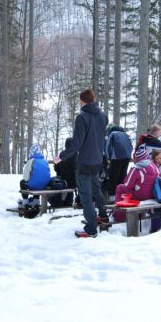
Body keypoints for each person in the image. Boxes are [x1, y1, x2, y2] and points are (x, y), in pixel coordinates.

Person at [54, 88, 108, 238]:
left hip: (84, 162)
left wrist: (61, 157)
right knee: (96, 190)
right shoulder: (103, 117)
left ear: (82, 101)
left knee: (85, 196)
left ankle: (91, 229)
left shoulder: (81, 117)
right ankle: (103, 215)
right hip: (97, 160)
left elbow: (77, 144)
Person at [112, 145, 160, 224]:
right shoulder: (154, 166)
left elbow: (127, 185)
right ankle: (140, 213)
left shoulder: (136, 168)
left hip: (141, 195)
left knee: (120, 188)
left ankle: (119, 217)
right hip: (153, 194)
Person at [105, 125, 133, 197]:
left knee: (113, 176)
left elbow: (108, 146)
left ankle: (112, 196)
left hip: (117, 157)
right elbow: (131, 146)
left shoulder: (112, 134)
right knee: (122, 176)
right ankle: (121, 194)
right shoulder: (126, 135)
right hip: (127, 157)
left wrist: (108, 157)